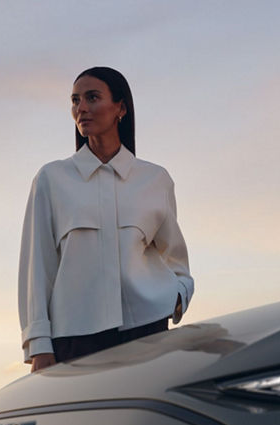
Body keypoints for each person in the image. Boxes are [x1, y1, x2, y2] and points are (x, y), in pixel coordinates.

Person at [19, 67, 193, 372]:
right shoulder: (51, 179)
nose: (81, 108)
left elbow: (176, 259)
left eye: (92, 98)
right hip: (73, 340)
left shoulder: (155, 179)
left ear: (120, 108)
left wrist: (178, 297)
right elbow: (38, 268)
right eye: (75, 101)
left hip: (147, 333)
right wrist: (38, 346)